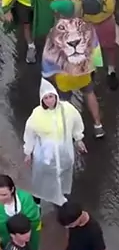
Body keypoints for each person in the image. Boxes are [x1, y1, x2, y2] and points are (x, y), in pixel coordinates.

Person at [42, 0, 105, 138]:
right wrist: (94, 67)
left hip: (64, 75)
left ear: (59, 13)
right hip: (84, 72)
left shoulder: (55, 30)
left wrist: (48, 74)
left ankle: (69, 131)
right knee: (89, 93)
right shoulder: (86, 26)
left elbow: (48, 56)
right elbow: (95, 47)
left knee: (64, 103)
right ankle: (98, 125)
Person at [23, 79, 86, 207]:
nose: (49, 100)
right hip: (45, 156)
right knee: (42, 179)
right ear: (42, 100)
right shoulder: (37, 114)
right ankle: (37, 201)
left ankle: (60, 198)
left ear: (56, 96)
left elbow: (77, 123)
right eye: (45, 98)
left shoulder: (67, 109)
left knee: (62, 176)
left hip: (64, 153)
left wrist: (79, 139)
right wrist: (28, 152)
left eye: (51, 96)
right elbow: (30, 133)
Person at [0, 176, 41, 250]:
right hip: (8, 240)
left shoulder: (25, 198)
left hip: (30, 236)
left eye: (4, 195)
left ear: (12, 190)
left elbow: (34, 218)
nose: (0, 198)